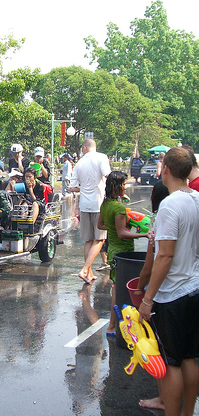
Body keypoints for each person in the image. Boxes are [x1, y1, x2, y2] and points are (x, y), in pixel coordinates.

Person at [137, 147, 199, 416]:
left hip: (173, 294)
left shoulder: (170, 207)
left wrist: (147, 299)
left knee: (171, 361)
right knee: (189, 357)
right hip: (194, 287)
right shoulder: (196, 199)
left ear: (166, 170)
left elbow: (164, 256)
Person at [97, 171, 149, 336]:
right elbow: (122, 234)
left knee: (117, 288)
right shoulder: (118, 208)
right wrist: (144, 234)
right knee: (119, 290)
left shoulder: (106, 204)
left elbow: (101, 225)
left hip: (113, 250)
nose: (126, 187)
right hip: (122, 251)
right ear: (116, 186)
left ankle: (114, 325)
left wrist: (114, 225)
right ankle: (112, 326)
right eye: (124, 184)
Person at [137, 179, 170, 411]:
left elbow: (152, 262)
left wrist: (142, 289)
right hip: (192, 289)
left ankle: (164, 400)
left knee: (163, 352)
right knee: (188, 357)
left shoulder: (160, 220)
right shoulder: (193, 205)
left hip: (166, 291)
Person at [69, 138, 111, 284]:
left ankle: (89, 274)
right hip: (99, 204)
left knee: (88, 240)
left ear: (84, 148)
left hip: (84, 205)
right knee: (100, 239)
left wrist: (85, 188)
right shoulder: (102, 158)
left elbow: (72, 187)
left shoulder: (79, 163)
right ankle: (85, 269)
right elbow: (108, 176)